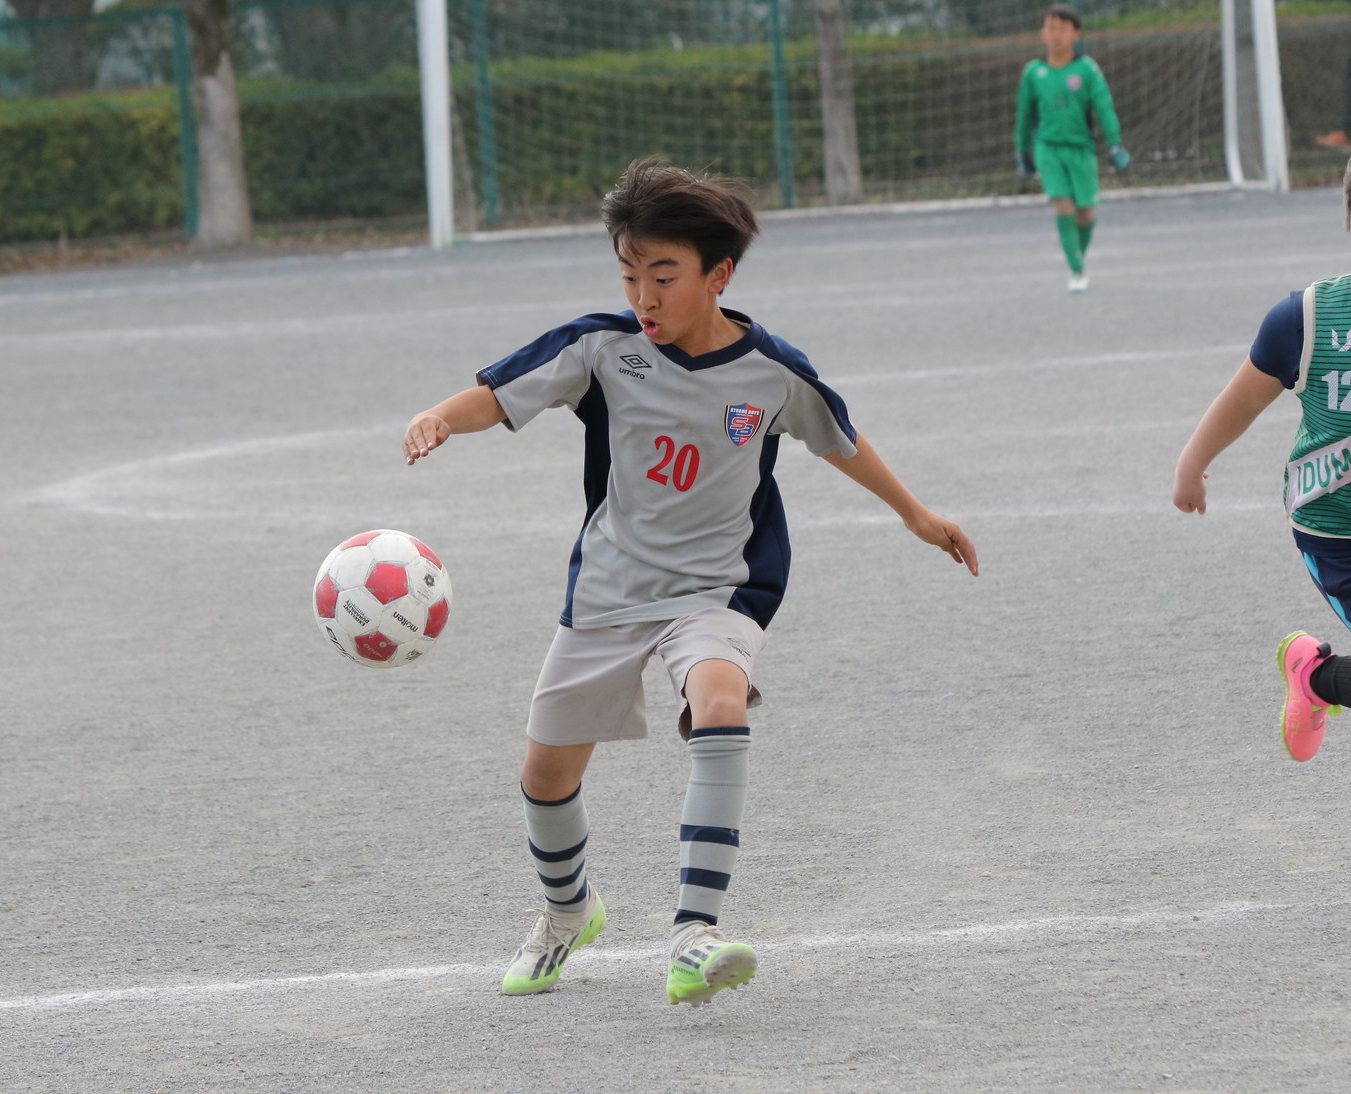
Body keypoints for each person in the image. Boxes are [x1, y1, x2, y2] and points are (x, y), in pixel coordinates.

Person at [402, 157, 979, 1007]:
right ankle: (568, 913)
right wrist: (441, 418)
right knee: (546, 775)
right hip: (611, 587)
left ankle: (693, 934)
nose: (644, 296)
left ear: (719, 276)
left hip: (720, 587)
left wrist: (915, 514)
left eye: (663, 276)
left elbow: (840, 440)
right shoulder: (604, 347)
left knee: (719, 698)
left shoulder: (771, 370)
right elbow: (500, 391)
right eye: (629, 274)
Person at [1173, 160, 1351, 763]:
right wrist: (1192, 463)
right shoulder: (1307, 318)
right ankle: (1315, 677)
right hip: (1336, 531)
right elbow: (1245, 399)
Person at [1014, 3, 1130, 294]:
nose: (1056, 35)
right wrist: (1021, 151)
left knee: (1085, 214)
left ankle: (1076, 258)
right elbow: (1024, 115)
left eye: (1063, 29)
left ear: (1076, 34)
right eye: (1051, 28)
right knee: (1062, 204)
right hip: (1048, 149)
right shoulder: (1033, 72)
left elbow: (1104, 108)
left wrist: (1115, 144)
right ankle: (1077, 270)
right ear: (1043, 33)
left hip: (1081, 150)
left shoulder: (1087, 69)